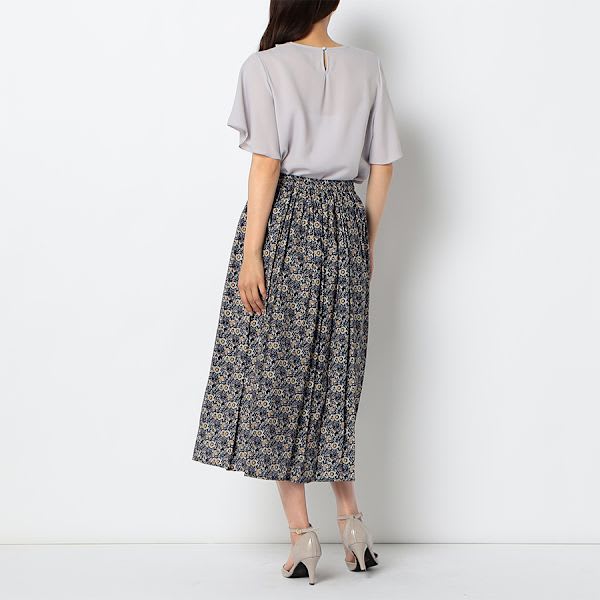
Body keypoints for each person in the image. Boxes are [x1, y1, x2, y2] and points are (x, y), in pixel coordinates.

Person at [192, 0, 402, 585]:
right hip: (344, 224)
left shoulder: (264, 66)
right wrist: (365, 239)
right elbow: (383, 165)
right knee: (335, 378)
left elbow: (266, 162)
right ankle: (353, 526)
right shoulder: (368, 66)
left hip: (283, 225)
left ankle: (302, 536)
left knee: (276, 381)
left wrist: (252, 253)